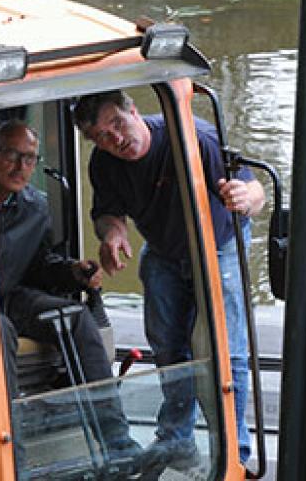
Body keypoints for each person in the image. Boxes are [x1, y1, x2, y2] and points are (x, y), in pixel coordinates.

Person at [0, 119, 141, 474]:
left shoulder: (34, 206)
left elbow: (39, 265)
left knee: (77, 317)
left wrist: (71, 271)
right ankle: (12, 458)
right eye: (13, 156)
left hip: (8, 295)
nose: (22, 168)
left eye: (30, 159)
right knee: (0, 330)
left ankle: (118, 442)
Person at [73, 90, 265, 469]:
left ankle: (235, 452)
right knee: (167, 346)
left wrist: (244, 196)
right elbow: (107, 212)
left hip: (219, 245)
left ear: (133, 111)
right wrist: (112, 234)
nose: (117, 139)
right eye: (103, 137)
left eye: (118, 124)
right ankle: (177, 440)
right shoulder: (105, 163)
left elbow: (256, 190)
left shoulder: (195, 137)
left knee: (228, 351)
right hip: (162, 249)